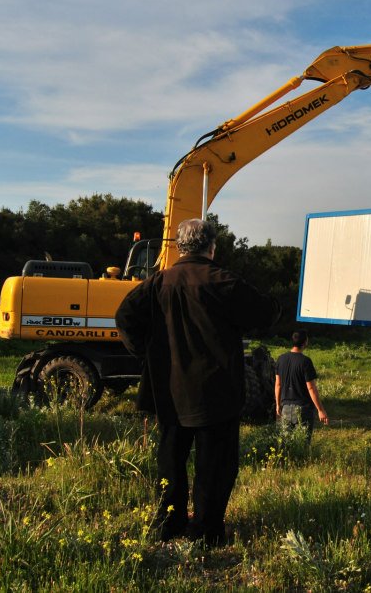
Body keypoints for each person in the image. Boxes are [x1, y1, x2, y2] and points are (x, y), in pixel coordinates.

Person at [115, 218, 279, 545]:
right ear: (211, 247)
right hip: (215, 391)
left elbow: (124, 316)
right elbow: (268, 312)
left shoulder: (157, 283)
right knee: (214, 466)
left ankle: (168, 524)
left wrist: (145, 354)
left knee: (171, 461)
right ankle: (206, 531)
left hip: (170, 391)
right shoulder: (224, 281)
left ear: (179, 246)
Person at [275, 330, 328, 443]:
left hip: (285, 408)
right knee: (303, 443)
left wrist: (278, 405)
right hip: (303, 409)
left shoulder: (281, 359)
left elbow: (278, 384)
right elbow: (311, 388)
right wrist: (320, 409)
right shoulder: (305, 362)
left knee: (286, 444)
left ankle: (289, 460)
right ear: (305, 342)